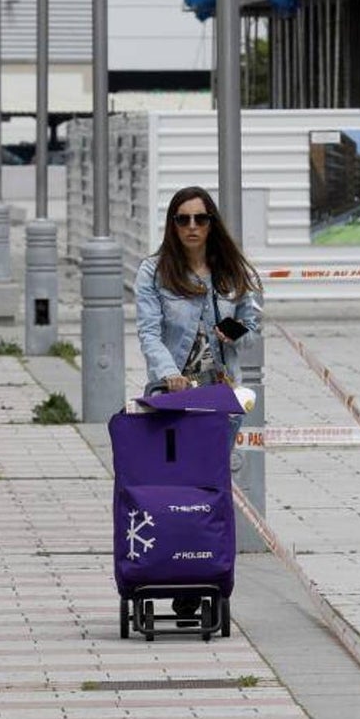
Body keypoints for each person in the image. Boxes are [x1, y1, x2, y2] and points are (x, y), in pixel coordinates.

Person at [133, 185, 262, 625]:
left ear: (212, 224)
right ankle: (169, 565)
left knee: (211, 486)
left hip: (219, 395)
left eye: (200, 219)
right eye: (183, 219)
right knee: (171, 488)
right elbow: (149, 332)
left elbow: (253, 315)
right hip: (172, 397)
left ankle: (202, 572)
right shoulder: (153, 272)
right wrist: (168, 373)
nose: (192, 227)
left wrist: (238, 330)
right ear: (171, 224)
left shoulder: (229, 271)